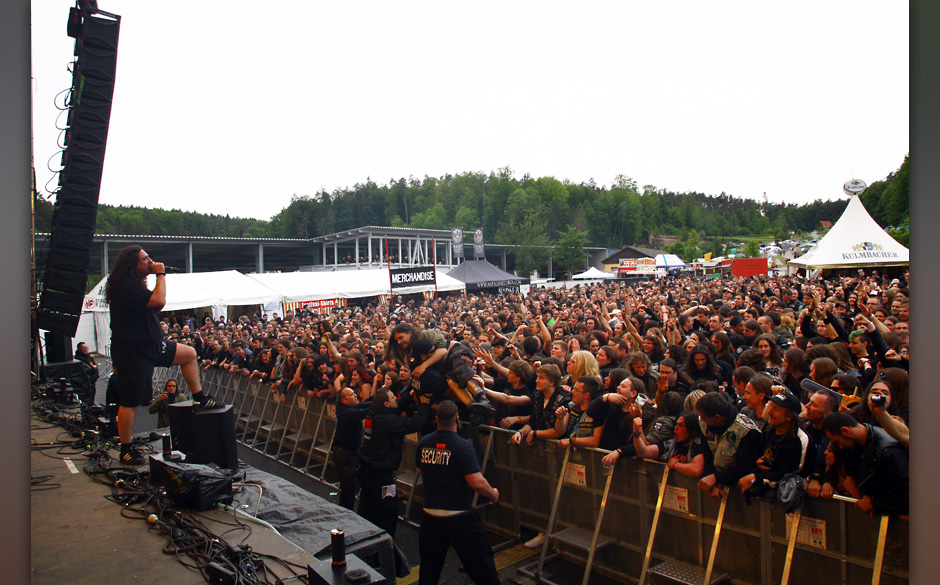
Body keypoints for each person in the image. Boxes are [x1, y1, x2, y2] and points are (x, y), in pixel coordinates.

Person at [105, 246, 217, 466]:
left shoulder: (134, 285)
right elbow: (159, 302)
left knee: (189, 354)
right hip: (133, 352)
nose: (150, 261)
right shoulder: (125, 286)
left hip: (152, 346)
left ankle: (199, 397)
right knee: (129, 402)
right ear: (132, 264)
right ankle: (126, 449)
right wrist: (161, 274)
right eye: (145, 259)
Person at [415, 400, 500, 585]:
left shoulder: (424, 443)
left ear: (436, 419)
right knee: (482, 568)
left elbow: (422, 471)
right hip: (459, 516)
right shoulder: (462, 446)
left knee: (429, 570)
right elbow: (476, 482)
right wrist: (493, 494)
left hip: (430, 515)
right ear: (458, 420)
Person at [358, 386, 431, 537]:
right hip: (381, 475)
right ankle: (385, 544)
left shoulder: (373, 413)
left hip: (366, 469)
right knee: (387, 510)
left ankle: (365, 538)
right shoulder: (388, 422)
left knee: (367, 507)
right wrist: (424, 404)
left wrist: (408, 397)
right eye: (392, 397)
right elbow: (414, 424)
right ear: (385, 403)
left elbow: (393, 411)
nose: (396, 398)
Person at [821, 412, 909, 516]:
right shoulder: (857, 445)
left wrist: (874, 503)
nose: (840, 446)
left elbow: (908, 496)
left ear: (846, 431)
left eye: (838, 441)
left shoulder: (888, 452)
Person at [332, 386, 371, 510]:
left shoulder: (350, 407)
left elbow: (366, 404)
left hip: (351, 452)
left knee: (354, 483)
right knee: (348, 488)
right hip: (344, 455)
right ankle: (345, 513)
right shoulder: (346, 413)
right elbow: (364, 412)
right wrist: (381, 405)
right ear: (344, 400)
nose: (355, 395)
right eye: (351, 395)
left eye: (354, 393)